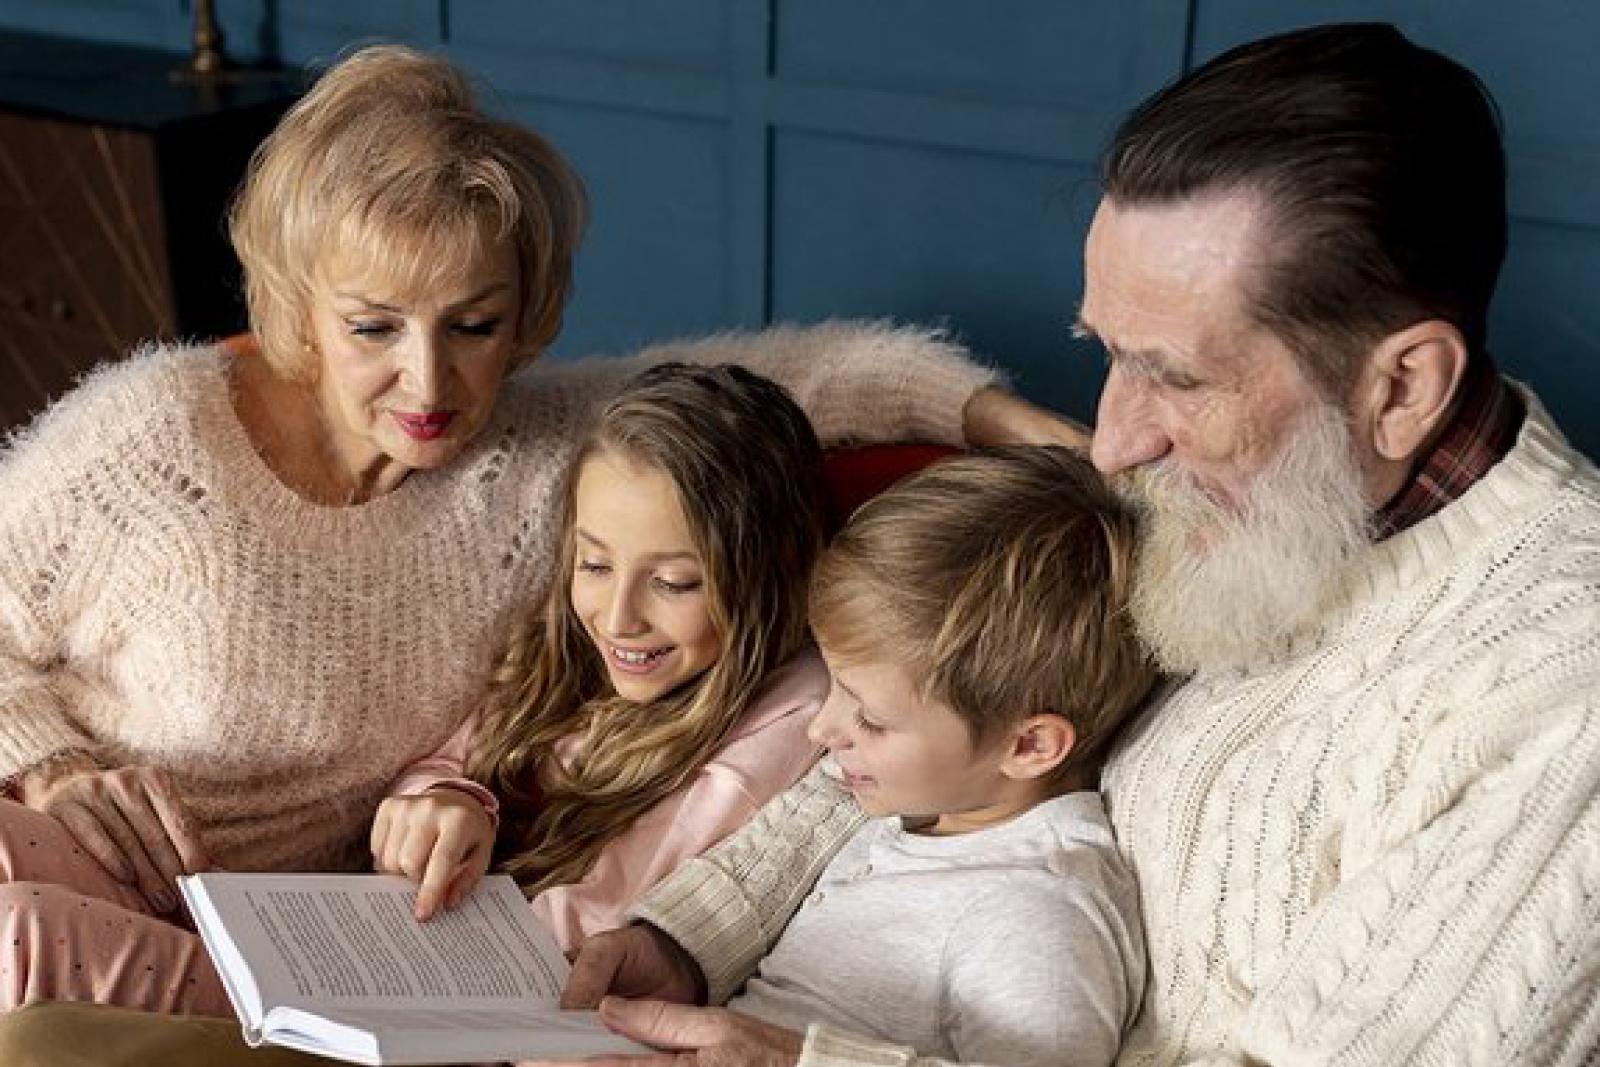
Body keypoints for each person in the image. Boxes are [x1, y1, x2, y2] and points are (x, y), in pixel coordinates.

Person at [546, 22, 1600, 1067]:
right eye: (1105, 352)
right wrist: (686, 938)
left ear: (1401, 386)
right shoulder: (1212, 494)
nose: (1110, 443)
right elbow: (907, 728)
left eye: (1177, 376)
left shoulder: (1563, 694)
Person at [0, 43, 1077, 1017]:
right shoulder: (153, 439)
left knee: (14, 941)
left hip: (274, 940)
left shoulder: (545, 449)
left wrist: (991, 415)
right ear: (298, 302)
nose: (427, 383)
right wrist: (53, 763)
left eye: (473, 325)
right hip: (93, 833)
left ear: (527, 311)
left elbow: (797, 383)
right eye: (373, 326)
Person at [710, 446, 1152, 1066]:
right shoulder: (936, 808)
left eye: (870, 717)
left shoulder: (1032, 916)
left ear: (1028, 746)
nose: (821, 728)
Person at [374, 361, 833, 954]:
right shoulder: (567, 644)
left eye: (674, 582)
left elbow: (602, 920)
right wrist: (447, 803)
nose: (618, 620)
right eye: (593, 565)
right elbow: (442, 766)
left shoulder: (793, 712)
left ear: (773, 573)